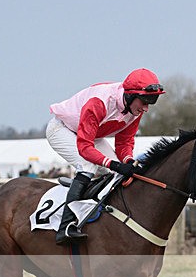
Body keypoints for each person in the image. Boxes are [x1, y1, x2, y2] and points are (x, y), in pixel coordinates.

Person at [46, 68, 165, 245]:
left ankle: (101, 220)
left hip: (92, 136)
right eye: (145, 101)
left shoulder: (135, 110)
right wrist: (113, 164)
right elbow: (85, 147)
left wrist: (127, 161)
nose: (146, 108)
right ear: (131, 96)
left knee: (119, 174)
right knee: (88, 166)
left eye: (152, 102)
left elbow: (124, 143)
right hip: (62, 130)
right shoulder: (100, 102)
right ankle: (66, 226)